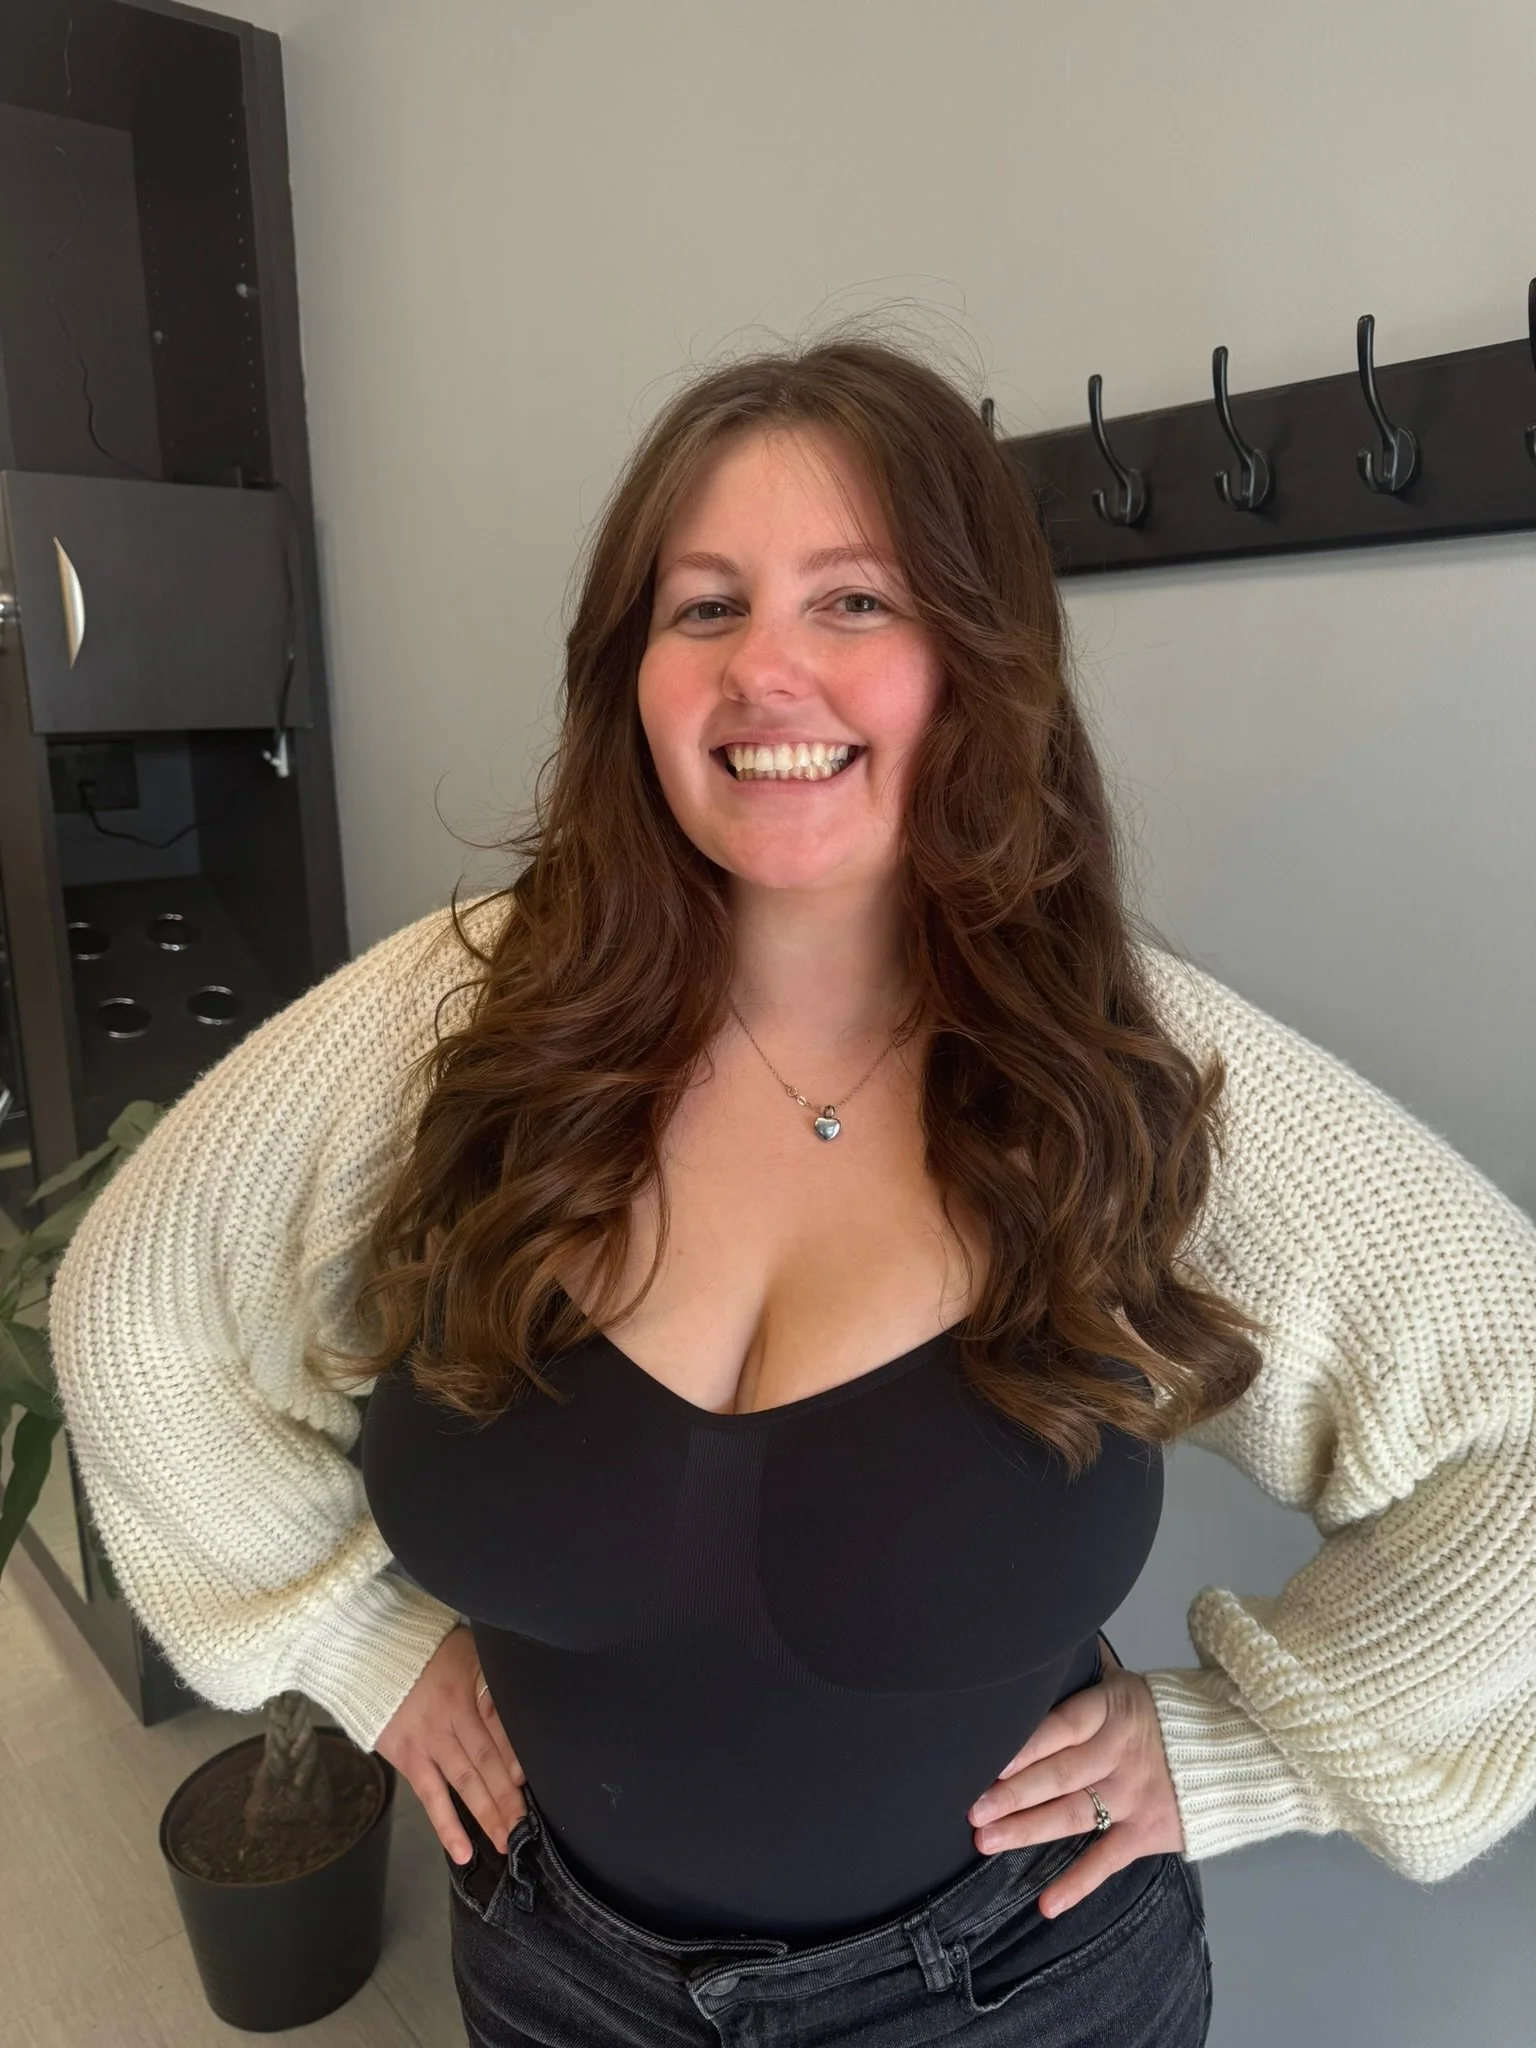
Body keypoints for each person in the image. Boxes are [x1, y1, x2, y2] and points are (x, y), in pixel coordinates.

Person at [49, 335, 1536, 2048]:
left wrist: (1251, 1748)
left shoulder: (1116, 1065)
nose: (766, 667)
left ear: (975, 659)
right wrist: (351, 1643)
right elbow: (138, 1315)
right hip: (556, 1979)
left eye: (855, 601)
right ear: (632, 678)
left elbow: (1512, 1414)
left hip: (1014, 1997)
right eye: (705, 607)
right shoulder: (464, 1016)